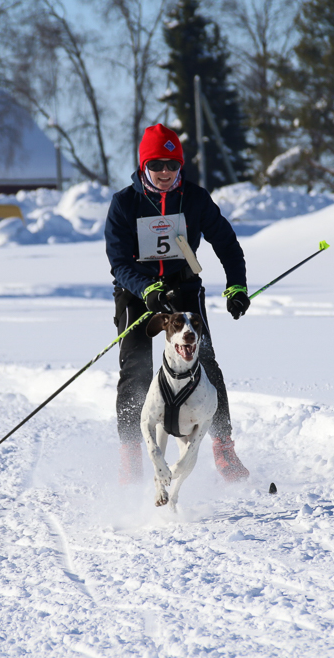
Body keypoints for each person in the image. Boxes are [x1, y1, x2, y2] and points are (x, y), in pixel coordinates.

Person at [105, 124, 253, 484]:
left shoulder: (195, 198)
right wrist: (147, 289)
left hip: (183, 288)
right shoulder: (125, 202)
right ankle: (131, 456)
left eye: (173, 164)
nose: (166, 172)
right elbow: (119, 262)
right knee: (136, 369)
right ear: (144, 165)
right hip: (137, 291)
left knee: (205, 362)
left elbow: (227, 244)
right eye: (157, 164)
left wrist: (236, 286)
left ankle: (223, 447)